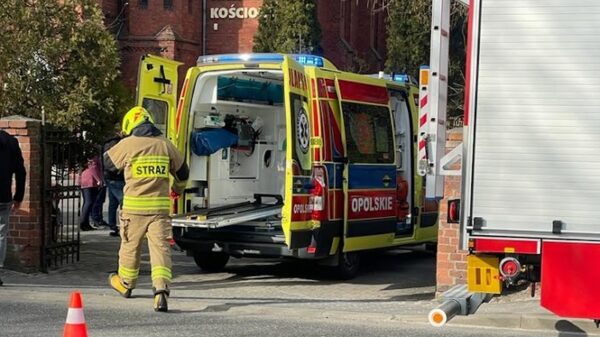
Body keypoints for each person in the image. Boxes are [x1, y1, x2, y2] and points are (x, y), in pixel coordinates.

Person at [104, 106, 188, 312]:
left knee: (130, 247)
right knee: (160, 249)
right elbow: (183, 173)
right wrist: (177, 189)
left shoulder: (128, 144)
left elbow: (108, 163)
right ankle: (161, 290)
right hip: (159, 210)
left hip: (134, 209)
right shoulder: (166, 145)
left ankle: (126, 283)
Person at [0, 129, 26, 286]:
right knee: (1, 235)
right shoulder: (10, 142)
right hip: (3, 196)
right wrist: (18, 196)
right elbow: (21, 172)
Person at [102, 129, 125, 237]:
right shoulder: (118, 143)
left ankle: (113, 225)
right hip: (117, 177)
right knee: (123, 201)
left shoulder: (107, 143)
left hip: (110, 176)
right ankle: (123, 226)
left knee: (113, 203)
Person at [79, 155, 102, 231]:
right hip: (90, 181)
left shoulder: (89, 155)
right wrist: (99, 180)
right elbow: (93, 168)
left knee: (88, 203)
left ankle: (86, 223)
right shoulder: (93, 156)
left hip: (86, 180)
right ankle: (83, 223)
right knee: (89, 202)